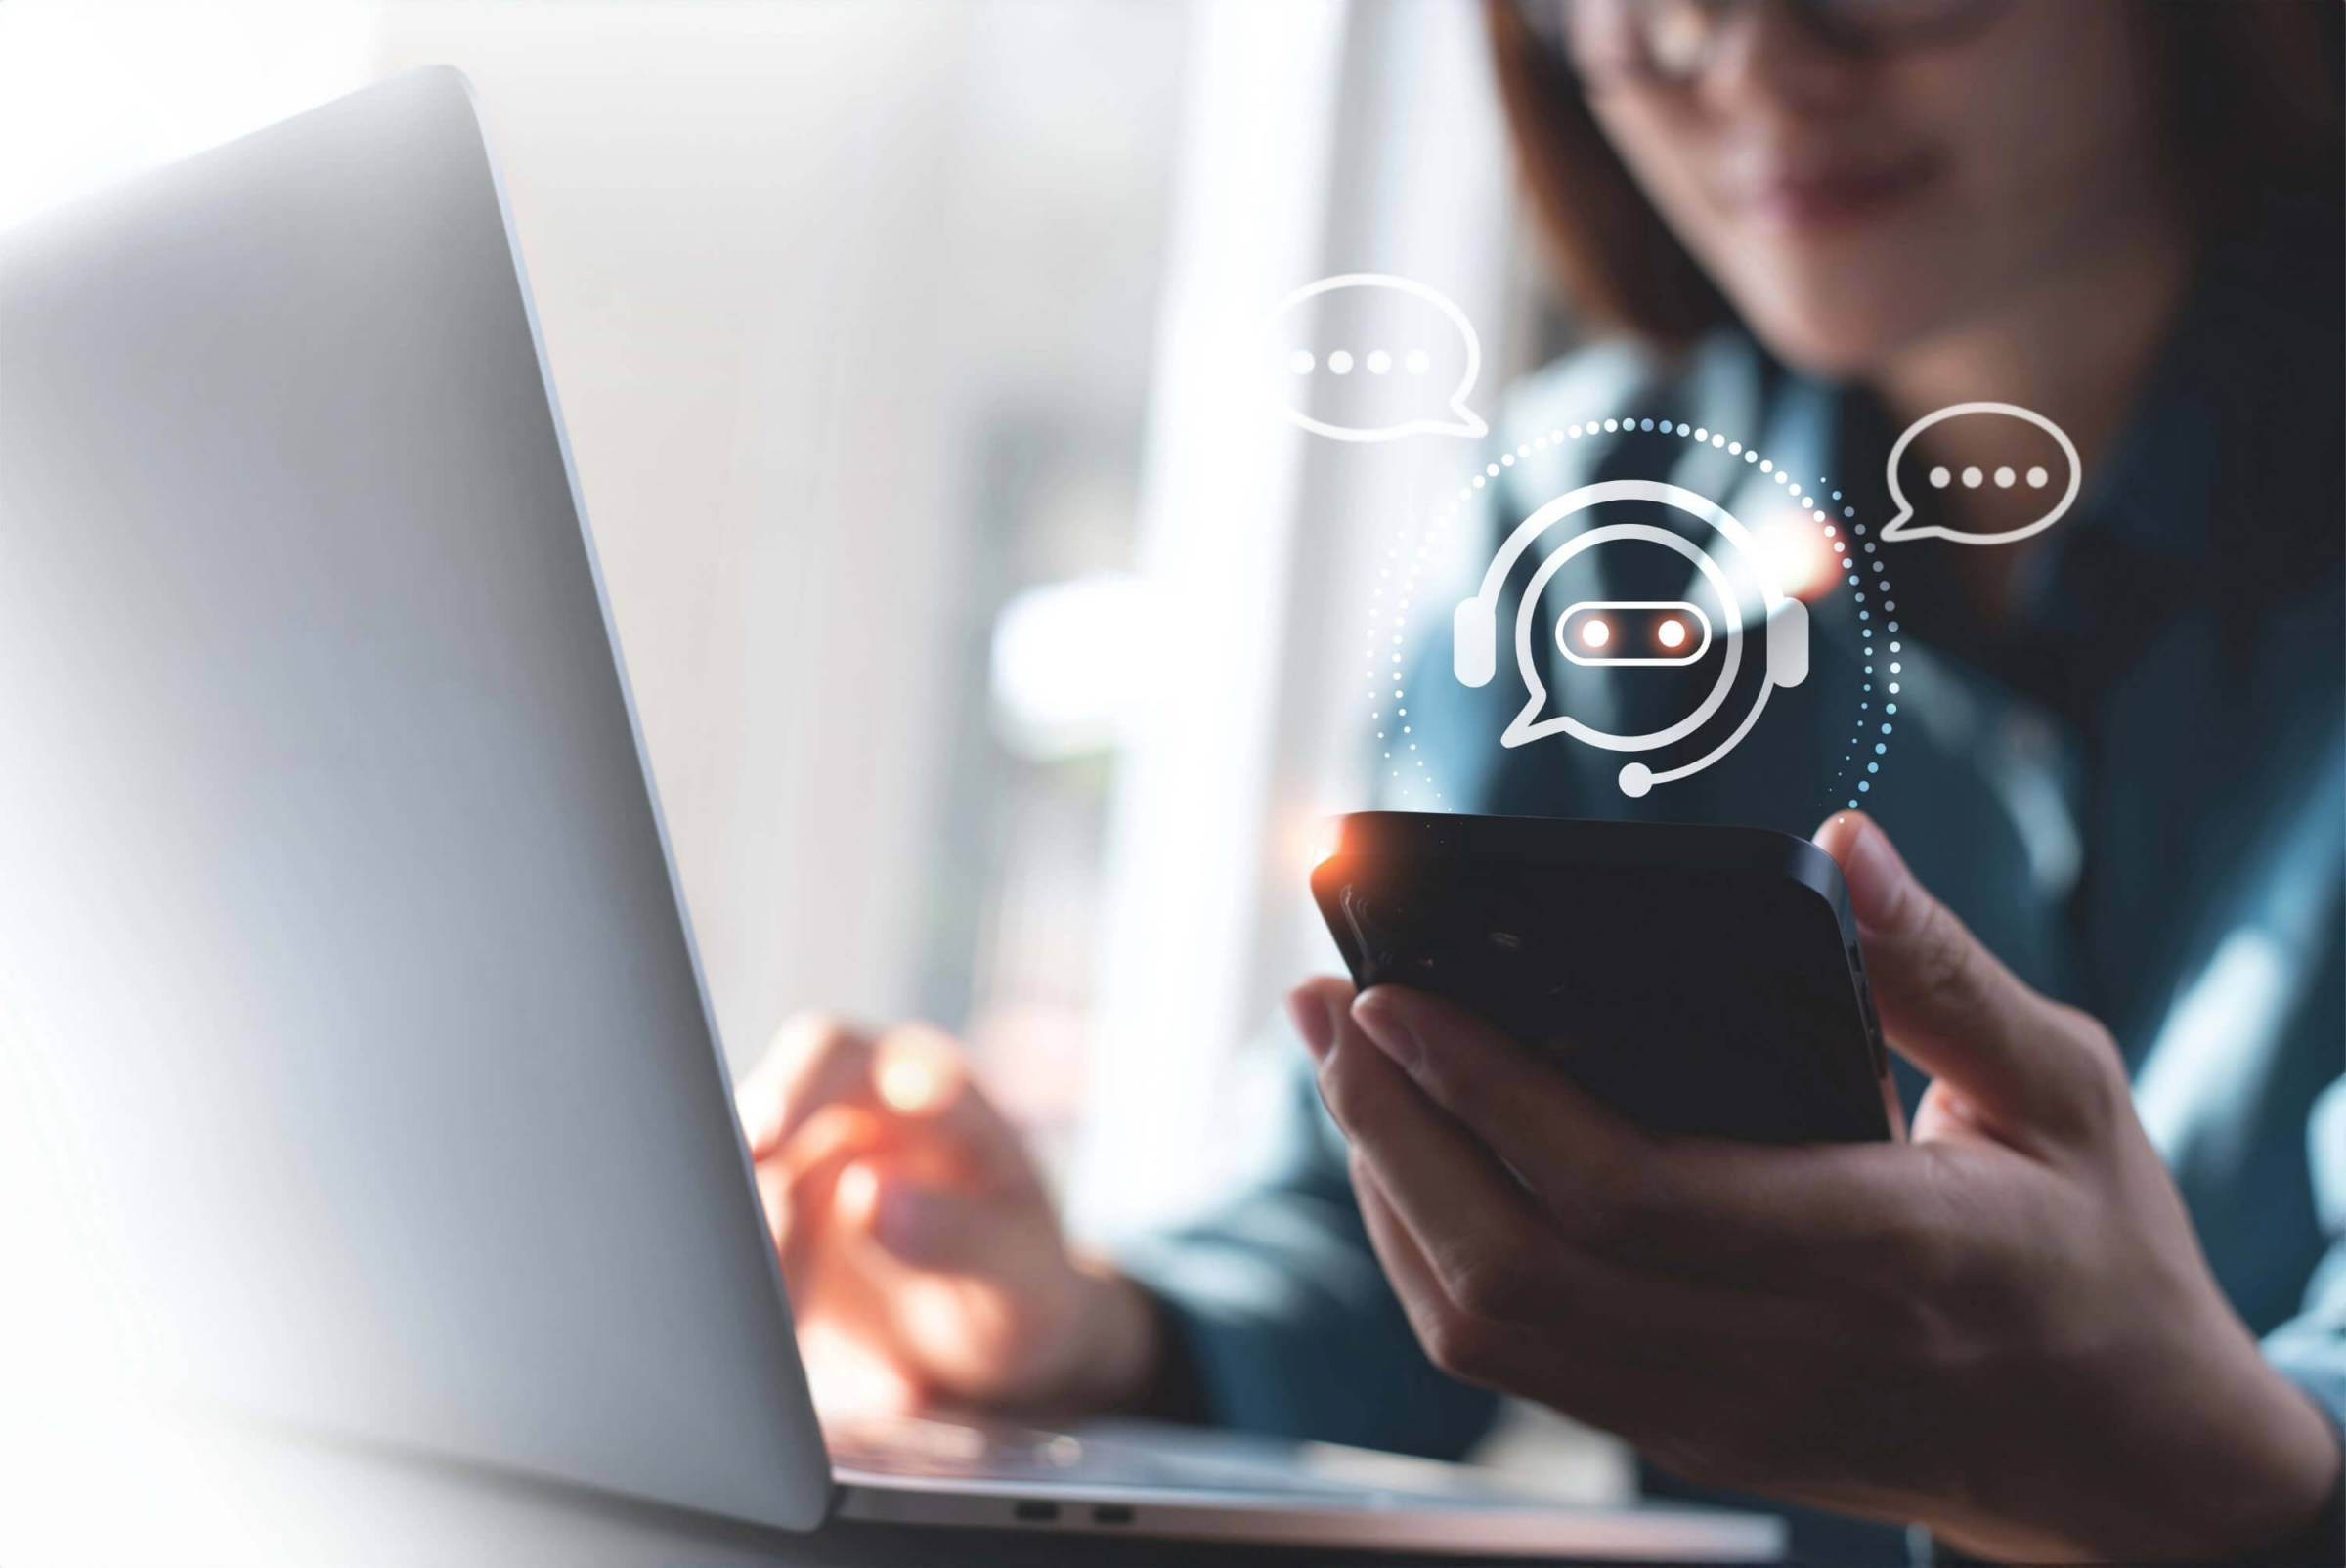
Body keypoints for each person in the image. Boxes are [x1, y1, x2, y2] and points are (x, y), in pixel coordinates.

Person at [737, 1, 2346, 1559]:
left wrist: (2217, 1483)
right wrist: (1079, 1331)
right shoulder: (1586, 524)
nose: (1754, 63)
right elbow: (1396, 1237)